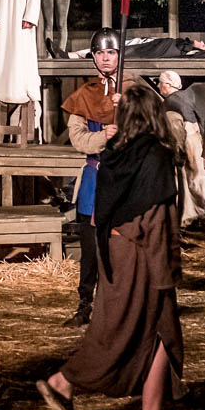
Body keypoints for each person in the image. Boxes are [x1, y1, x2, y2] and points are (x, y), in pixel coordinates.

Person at [36, 84, 186, 410]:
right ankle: (64, 381)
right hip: (143, 254)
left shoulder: (116, 152)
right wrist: (166, 268)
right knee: (133, 330)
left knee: (152, 330)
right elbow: (156, 216)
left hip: (115, 249)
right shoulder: (154, 155)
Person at [61, 29, 128, 327]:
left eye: (111, 52)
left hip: (124, 180)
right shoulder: (84, 94)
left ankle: (119, 308)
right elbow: (77, 138)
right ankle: (84, 306)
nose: (105, 58)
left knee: (120, 249)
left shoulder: (134, 90)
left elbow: (151, 130)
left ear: (119, 55)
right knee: (90, 250)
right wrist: (103, 136)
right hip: (94, 178)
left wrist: (126, 114)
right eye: (100, 53)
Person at [158, 70, 205, 232]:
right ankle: (202, 216)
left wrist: (177, 151)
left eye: (161, 83)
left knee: (191, 179)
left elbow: (176, 128)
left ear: (168, 85)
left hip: (186, 140)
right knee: (197, 179)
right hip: (196, 138)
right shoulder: (185, 96)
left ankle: (199, 217)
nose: (159, 86)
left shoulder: (170, 102)